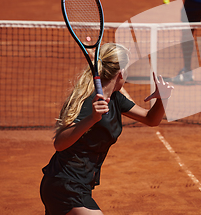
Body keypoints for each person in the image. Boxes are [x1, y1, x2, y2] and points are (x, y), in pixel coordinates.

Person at [40, 43, 173, 215]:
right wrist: (91, 119)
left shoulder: (115, 98)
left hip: (78, 184)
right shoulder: (88, 101)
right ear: (121, 73)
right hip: (65, 186)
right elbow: (59, 143)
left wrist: (163, 98)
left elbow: (151, 119)